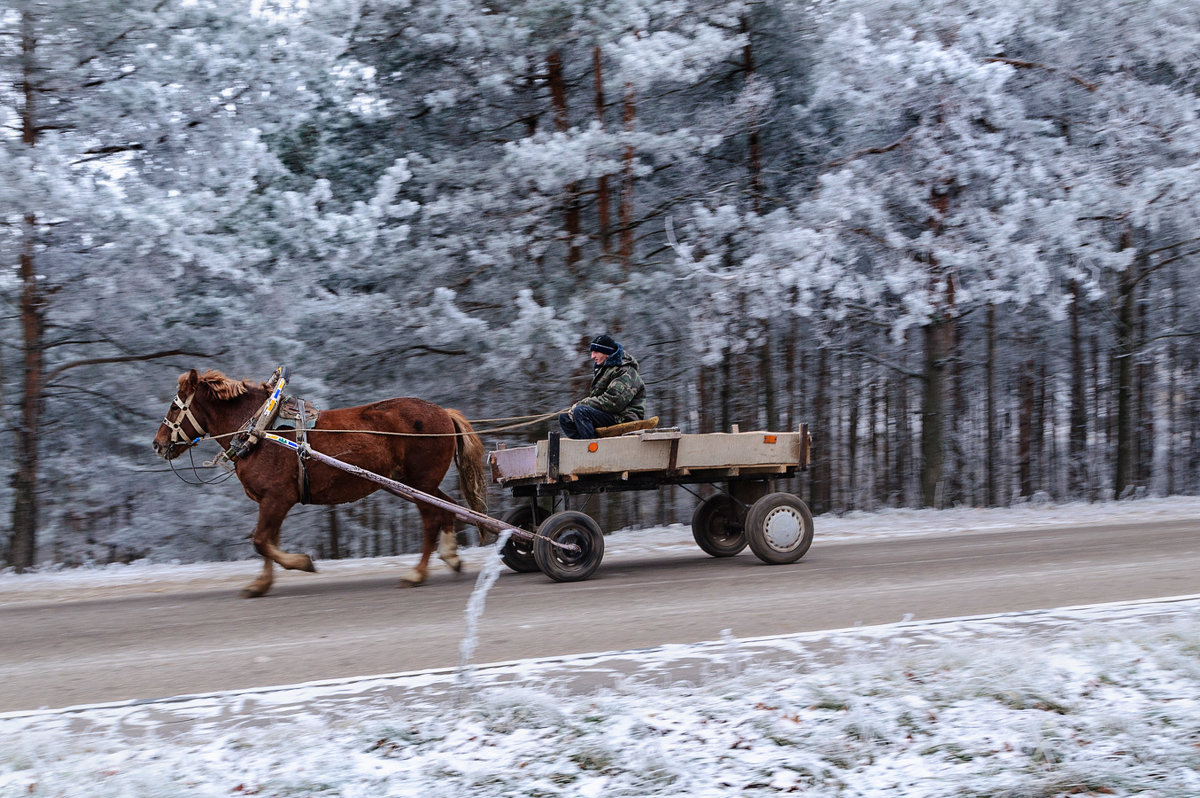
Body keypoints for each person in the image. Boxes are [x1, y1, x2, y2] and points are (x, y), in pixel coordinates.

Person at [559, 334, 646, 440]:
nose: (592, 356)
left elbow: (613, 403)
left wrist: (583, 403)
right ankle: (582, 445)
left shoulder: (625, 371)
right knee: (565, 418)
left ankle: (591, 449)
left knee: (581, 411)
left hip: (624, 417)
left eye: (596, 352)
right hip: (610, 414)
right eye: (592, 352)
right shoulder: (604, 370)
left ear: (607, 353)